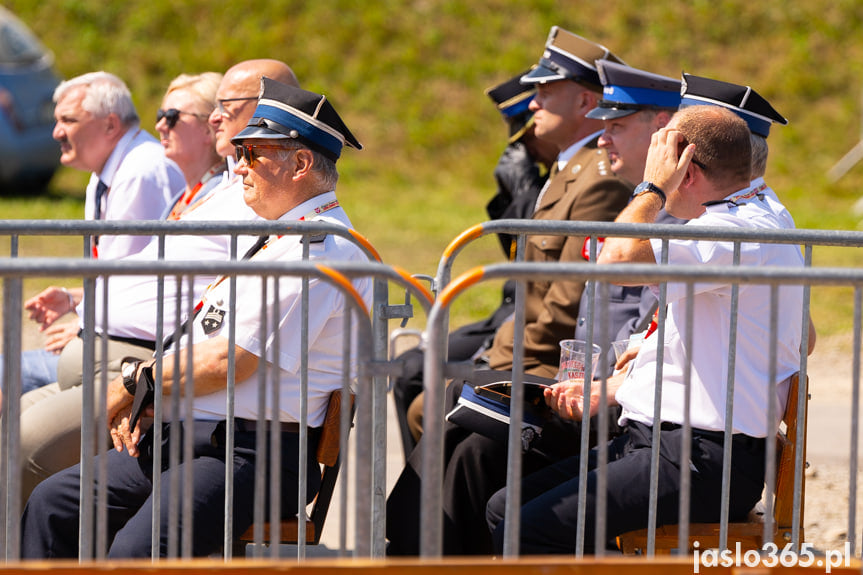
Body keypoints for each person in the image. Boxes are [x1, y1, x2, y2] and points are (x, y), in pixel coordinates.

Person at [21, 77, 371, 559]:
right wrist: (152, 396)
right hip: (197, 436)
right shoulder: (278, 237)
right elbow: (205, 334)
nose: (240, 167)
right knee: (54, 505)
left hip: (253, 453)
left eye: (253, 155)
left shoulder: (318, 250)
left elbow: (230, 360)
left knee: (134, 554)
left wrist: (133, 383)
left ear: (302, 164)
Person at [486, 105, 805, 554]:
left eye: (662, 154)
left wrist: (652, 187)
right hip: (671, 444)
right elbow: (789, 335)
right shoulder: (756, 214)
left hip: (699, 458)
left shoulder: (731, 231)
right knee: (505, 508)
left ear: (685, 171)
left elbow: (615, 261)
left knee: (527, 528)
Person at [386, 28, 632, 555]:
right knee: (430, 402)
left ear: (587, 100)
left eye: (547, 92)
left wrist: (493, 367)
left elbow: (566, 305)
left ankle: (447, 549)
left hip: (547, 368)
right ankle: (432, 546)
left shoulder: (601, 180)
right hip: (525, 354)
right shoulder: (571, 167)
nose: (534, 101)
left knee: (447, 416)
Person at [11, 60, 300, 504]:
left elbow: (223, 324)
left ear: (273, 108)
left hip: (137, 364)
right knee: (13, 429)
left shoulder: (263, 201)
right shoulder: (226, 191)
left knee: (29, 444)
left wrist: (147, 382)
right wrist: (80, 304)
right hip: (109, 354)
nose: (215, 117)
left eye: (226, 106)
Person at [391, 70, 556, 458]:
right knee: (408, 369)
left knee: (422, 380)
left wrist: (523, 192)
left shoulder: (576, 177)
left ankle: (433, 497)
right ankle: (422, 490)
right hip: (510, 309)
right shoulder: (553, 174)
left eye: (526, 137)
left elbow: (533, 250)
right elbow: (515, 253)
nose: (526, 148)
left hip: (524, 319)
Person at [0, 72, 185, 402]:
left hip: (129, 355)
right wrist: (75, 299)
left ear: (110, 125)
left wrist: (83, 327)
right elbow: (125, 275)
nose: (56, 132)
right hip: (109, 341)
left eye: (68, 120)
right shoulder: (112, 169)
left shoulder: (139, 173)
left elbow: (138, 284)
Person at [157, 72, 227, 220]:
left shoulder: (221, 193)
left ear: (209, 128)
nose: (160, 126)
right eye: (160, 116)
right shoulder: (179, 199)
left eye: (172, 117)